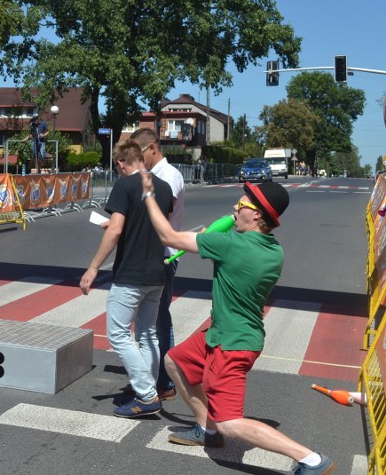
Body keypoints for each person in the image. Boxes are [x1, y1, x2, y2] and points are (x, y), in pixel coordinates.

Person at [139, 175, 335, 475]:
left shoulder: (229, 244)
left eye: (241, 203)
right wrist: (213, 239)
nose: (234, 206)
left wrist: (149, 196)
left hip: (231, 344)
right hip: (228, 333)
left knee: (231, 422)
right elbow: (235, 253)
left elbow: (167, 236)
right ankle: (207, 429)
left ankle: (311, 460)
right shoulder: (273, 251)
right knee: (175, 361)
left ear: (256, 213)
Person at [79, 140, 173, 418]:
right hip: (156, 272)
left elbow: (117, 230)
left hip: (130, 273)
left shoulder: (124, 185)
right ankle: (150, 388)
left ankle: (145, 395)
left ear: (121, 163)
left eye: (116, 166)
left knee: (118, 334)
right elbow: (153, 224)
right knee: (147, 334)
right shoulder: (164, 187)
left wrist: (93, 267)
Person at [130, 128, 184, 401]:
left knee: (160, 320)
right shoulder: (151, 175)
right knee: (147, 321)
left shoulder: (170, 175)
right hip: (150, 254)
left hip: (164, 254)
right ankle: (153, 376)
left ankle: (165, 381)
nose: (140, 161)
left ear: (152, 148)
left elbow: (164, 210)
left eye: (141, 155)